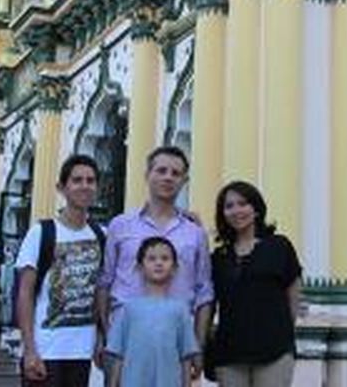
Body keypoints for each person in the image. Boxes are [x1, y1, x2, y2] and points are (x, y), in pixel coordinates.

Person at [96, 146, 213, 379]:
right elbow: (105, 281)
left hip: (176, 341)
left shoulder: (195, 234)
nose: (168, 177)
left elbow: (204, 292)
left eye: (175, 173)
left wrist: (197, 346)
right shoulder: (121, 226)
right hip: (125, 338)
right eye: (161, 170)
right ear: (147, 174)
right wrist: (103, 335)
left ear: (184, 181)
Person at [16, 154, 106, 387]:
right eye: (77, 180)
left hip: (82, 352)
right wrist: (29, 349)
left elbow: (100, 292)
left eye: (90, 180)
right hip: (46, 350)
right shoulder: (41, 232)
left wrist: (100, 338)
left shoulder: (100, 236)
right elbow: (25, 293)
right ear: (62, 187)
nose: (84, 186)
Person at [209, 181, 302, 387]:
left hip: (274, 349)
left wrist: (283, 333)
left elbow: (294, 295)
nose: (236, 210)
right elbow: (210, 303)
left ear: (256, 209)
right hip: (230, 351)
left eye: (243, 203)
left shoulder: (279, 246)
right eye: (229, 206)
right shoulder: (219, 257)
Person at [106, 237, 200, 387]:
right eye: (151, 258)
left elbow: (185, 358)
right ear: (140, 267)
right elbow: (118, 355)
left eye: (165, 258)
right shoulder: (128, 309)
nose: (159, 263)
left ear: (175, 267)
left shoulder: (180, 310)